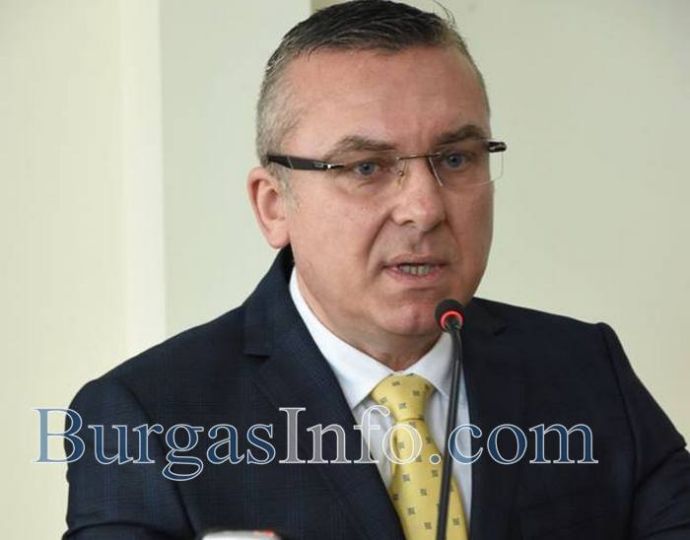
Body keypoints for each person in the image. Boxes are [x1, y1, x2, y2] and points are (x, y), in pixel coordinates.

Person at [63, 1, 690, 539]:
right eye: (365, 167)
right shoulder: (142, 420)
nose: (424, 207)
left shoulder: (587, 370)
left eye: (455, 157)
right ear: (274, 205)